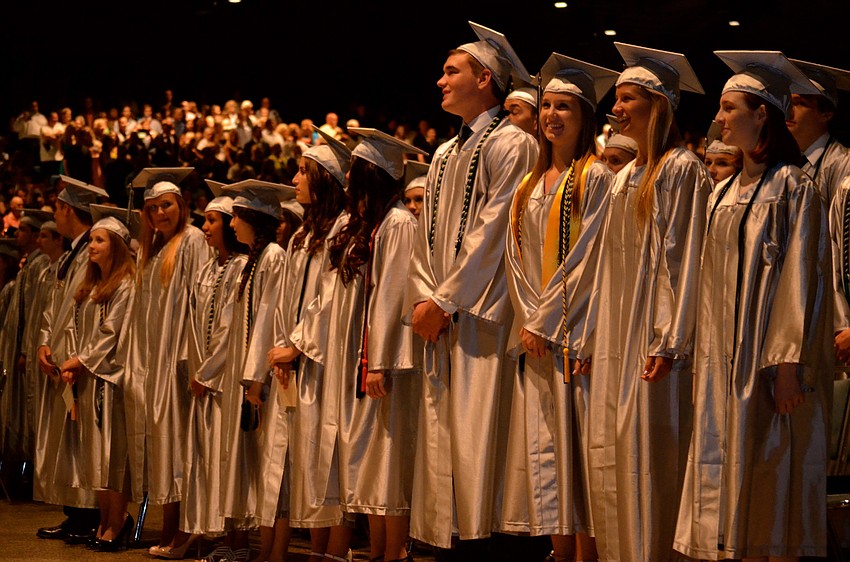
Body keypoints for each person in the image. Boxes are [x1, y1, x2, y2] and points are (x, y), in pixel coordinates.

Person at [675, 50, 831, 562]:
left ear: (762, 112)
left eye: (728, 107)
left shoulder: (793, 186)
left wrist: (787, 362)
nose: (717, 119)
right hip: (718, 361)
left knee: (766, 465)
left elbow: (800, 280)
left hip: (763, 363)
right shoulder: (722, 192)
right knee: (720, 462)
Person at [404, 21, 537, 552]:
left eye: (450, 71)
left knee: (482, 435)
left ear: (485, 79)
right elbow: (424, 237)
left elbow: (494, 230)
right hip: (442, 314)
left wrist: (444, 300)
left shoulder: (513, 145)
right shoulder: (441, 154)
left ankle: (485, 543)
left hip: (484, 315)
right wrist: (423, 297)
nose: (440, 80)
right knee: (444, 437)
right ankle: (448, 540)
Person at [581, 43, 712, 561]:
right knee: (615, 454)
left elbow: (681, 262)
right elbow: (606, 270)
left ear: (658, 105)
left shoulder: (681, 170)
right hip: (618, 336)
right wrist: (592, 334)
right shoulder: (625, 178)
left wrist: (669, 338)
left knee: (652, 454)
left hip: (657, 341)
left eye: (628, 98)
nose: (616, 106)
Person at [501, 53, 617, 562]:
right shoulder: (529, 184)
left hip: (578, 335)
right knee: (545, 450)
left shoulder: (596, 177)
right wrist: (531, 320)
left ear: (586, 115)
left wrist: (552, 322)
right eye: (546, 105)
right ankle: (558, 550)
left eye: (564, 106)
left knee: (579, 452)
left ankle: (587, 554)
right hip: (537, 336)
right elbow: (516, 260)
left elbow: (593, 260)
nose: (551, 115)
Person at [319, 128, 425, 562]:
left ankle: (394, 550)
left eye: (354, 173)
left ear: (373, 177)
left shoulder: (398, 223)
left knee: (388, 455)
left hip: (383, 359)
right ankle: (380, 547)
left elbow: (392, 296)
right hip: (362, 355)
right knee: (370, 455)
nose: (347, 182)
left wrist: (378, 361)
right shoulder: (375, 224)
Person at [266, 129, 351, 562]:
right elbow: (287, 301)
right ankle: (318, 552)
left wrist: (296, 346)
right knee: (306, 463)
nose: (295, 179)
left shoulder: (341, 230)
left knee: (327, 460)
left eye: (303, 172)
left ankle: (333, 554)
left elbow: (329, 299)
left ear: (325, 181)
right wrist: (283, 346)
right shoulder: (301, 236)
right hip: (297, 363)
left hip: (324, 361)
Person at [121, 167, 210, 557]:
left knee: (182, 448)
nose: (161, 213)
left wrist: (193, 362)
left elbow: (200, 304)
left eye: (167, 205)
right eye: (154, 208)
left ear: (182, 206)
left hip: (179, 363)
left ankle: (187, 531)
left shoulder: (191, 241)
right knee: (164, 447)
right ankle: (171, 529)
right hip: (154, 363)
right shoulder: (152, 249)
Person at [219, 179, 293, 562]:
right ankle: (264, 549)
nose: (231, 225)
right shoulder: (256, 259)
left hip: (264, 379)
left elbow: (268, 320)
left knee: (273, 467)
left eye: (236, 217)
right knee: (261, 468)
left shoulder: (274, 257)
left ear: (254, 218)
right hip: (252, 379)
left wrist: (255, 381)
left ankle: (274, 552)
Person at [35, 176, 108, 542]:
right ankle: (75, 513)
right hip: (61, 356)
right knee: (69, 441)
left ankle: (89, 514)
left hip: (81, 359)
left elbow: (93, 310)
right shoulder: (70, 255)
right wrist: (44, 343)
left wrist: (79, 354)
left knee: (83, 441)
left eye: (58, 207)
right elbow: (54, 306)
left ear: (68, 210)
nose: (55, 214)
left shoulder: (92, 252)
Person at [58, 208, 136, 551]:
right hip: (91, 379)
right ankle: (104, 521)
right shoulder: (92, 284)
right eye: (91, 239)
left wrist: (79, 359)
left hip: (113, 380)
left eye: (99, 240)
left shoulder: (126, 284)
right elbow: (81, 329)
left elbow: (112, 332)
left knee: (113, 455)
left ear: (116, 246)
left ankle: (117, 523)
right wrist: (75, 362)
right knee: (96, 455)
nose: (91, 245)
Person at [181, 185, 248, 561]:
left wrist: (206, 373)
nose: (205, 227)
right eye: (204, 220)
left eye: (211, 221)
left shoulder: (241, 268)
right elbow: (194, 326)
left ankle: (239, 540)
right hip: (204, 381)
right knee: (208, 460)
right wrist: (197, 371)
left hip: (225, 381)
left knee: (230, 459)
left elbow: (229, 327)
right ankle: (221, 536)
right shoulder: (207, 270)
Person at [787, 59, 850, 203]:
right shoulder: (782, 159)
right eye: (788, 103)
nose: (788, 112)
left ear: (826, 114)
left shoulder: (843, 163)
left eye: (800, 104)